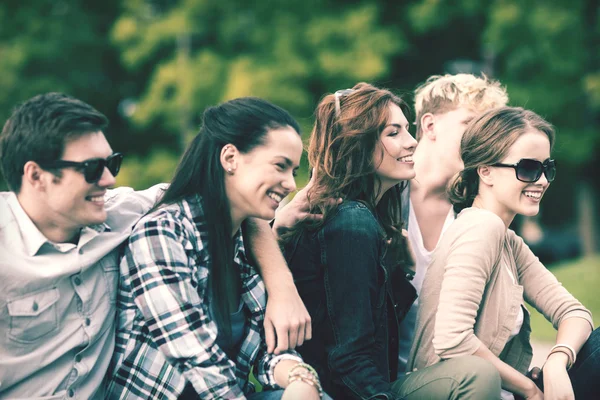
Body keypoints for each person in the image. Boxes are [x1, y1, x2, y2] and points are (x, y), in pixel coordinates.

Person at [0, 93, 311, 399]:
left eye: (113, 164)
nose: (109, 180)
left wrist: (283, 285)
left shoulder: (118, 212)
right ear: (36, 175)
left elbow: (231, 198)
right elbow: (194, 355)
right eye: (92, 169)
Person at [272, 73, 510, 373]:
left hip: (432, 372)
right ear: (430, 126)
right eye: (472, 125)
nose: (484, 139)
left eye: (490, 131)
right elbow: (346, 342)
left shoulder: (474, 211)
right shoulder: (366, 207)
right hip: (384, 379)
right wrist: (277, 229)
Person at [108, 97, 326, 400]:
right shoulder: (163, 232)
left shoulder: (246, 246)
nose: (290, 184)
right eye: (280, 166)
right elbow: (195, 357)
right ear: (230, 158)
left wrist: (300, 377)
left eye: (294, 171)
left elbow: (267, 352)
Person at [408, 106, 600, 400]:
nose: (542, 181)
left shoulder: (507, 240)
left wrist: (556, 362)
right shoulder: (480, 228)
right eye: (528, 169)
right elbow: (453, 341)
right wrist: (531, 390)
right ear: (485, 172)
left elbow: (573, 312)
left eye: (547, 168)